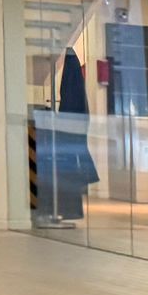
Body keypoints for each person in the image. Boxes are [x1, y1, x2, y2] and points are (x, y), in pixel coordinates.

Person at [42, 47, 98, 223]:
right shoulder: (70, 63)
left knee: (67, 164)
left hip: (70, 123)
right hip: (73, 123)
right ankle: (68, 208)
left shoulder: (68, 60)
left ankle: (64, 208)